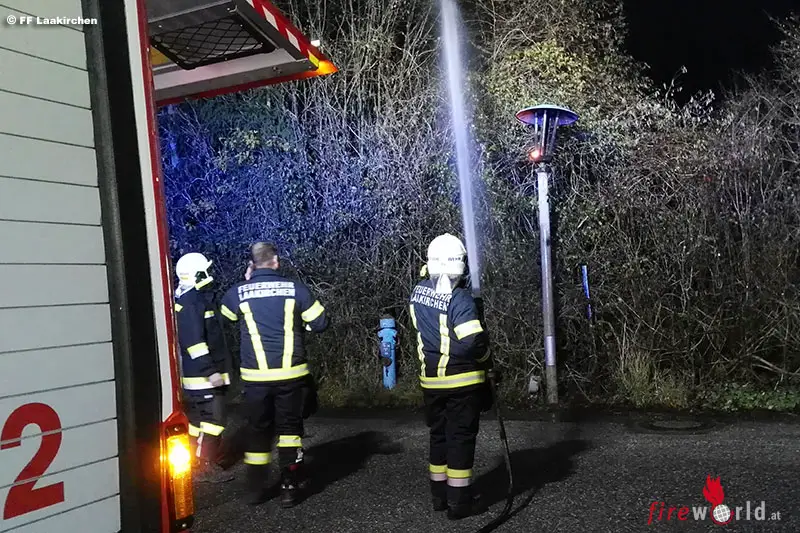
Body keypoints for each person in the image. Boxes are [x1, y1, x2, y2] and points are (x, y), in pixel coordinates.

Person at [220, 242, 328, 507]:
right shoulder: (296, 289)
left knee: (258, 430)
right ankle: (289, 485)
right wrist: (300, 325)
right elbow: (321, 323)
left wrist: (248, 284)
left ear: (252, 264)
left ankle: (255, 489)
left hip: (255, 379)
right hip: (291, 375)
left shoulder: (238, 292)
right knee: (289, 431)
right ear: (276, 262)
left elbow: (225, 319)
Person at [408, 233, 492, 520]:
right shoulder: (460, 299)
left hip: (431, 381)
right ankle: (459, 501)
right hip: (461, 382)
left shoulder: (418, 291)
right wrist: (486, 358)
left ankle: (439, 495)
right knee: (460, 439)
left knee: (439, 436)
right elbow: (472, 343)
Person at [173, 252, 234, 483]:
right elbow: (195, 343)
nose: (209, 273)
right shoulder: (192, 303)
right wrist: (211, 371)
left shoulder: (192, 299)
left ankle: (193, 462)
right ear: (196, 274)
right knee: (214, 421)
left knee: (198, 422)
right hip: (203, 376)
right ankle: (204, 466)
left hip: (196, 375)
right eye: (205, 270)